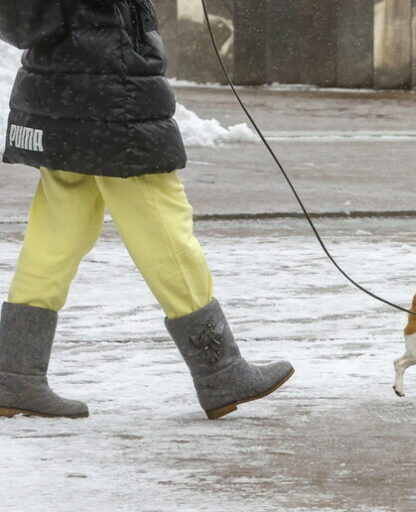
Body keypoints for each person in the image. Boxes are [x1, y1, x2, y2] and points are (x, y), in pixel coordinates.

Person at [0, 0, 293, 420]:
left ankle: (15, 374)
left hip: (65, 92)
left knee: (56, 234)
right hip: (112, 98)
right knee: (163, 230)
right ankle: (220, 370)